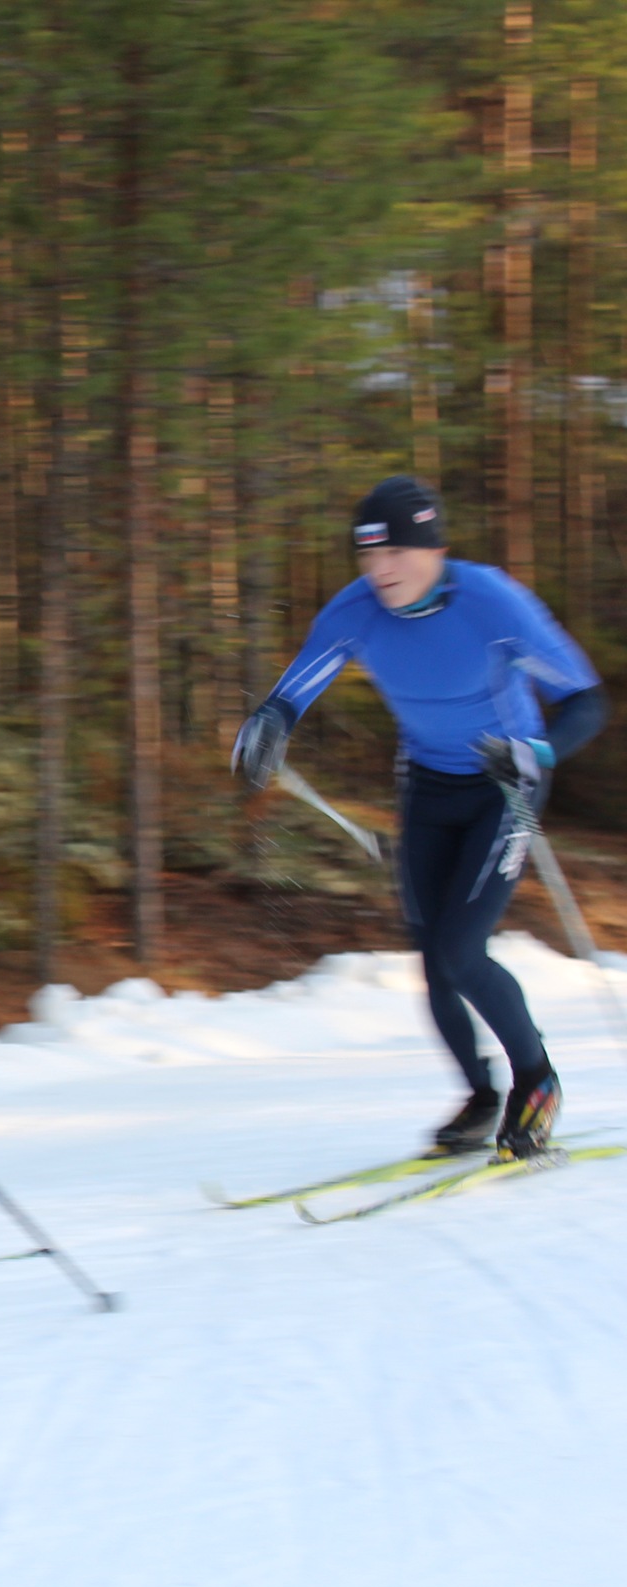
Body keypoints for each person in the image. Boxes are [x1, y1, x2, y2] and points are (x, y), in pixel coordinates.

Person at [233, 476, 607, 1161]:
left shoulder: (492, 603)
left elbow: (585, 699)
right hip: (428, 784)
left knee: (463, 950)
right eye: (368, 555)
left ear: (434, 550)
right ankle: (481, 1097)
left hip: (505, 784)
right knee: (433, 958)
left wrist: (539, 751)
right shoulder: (356, 610)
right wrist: (269, 723)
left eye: (395, 552)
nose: (380, 569)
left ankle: (537, 1081)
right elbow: (293, 691)